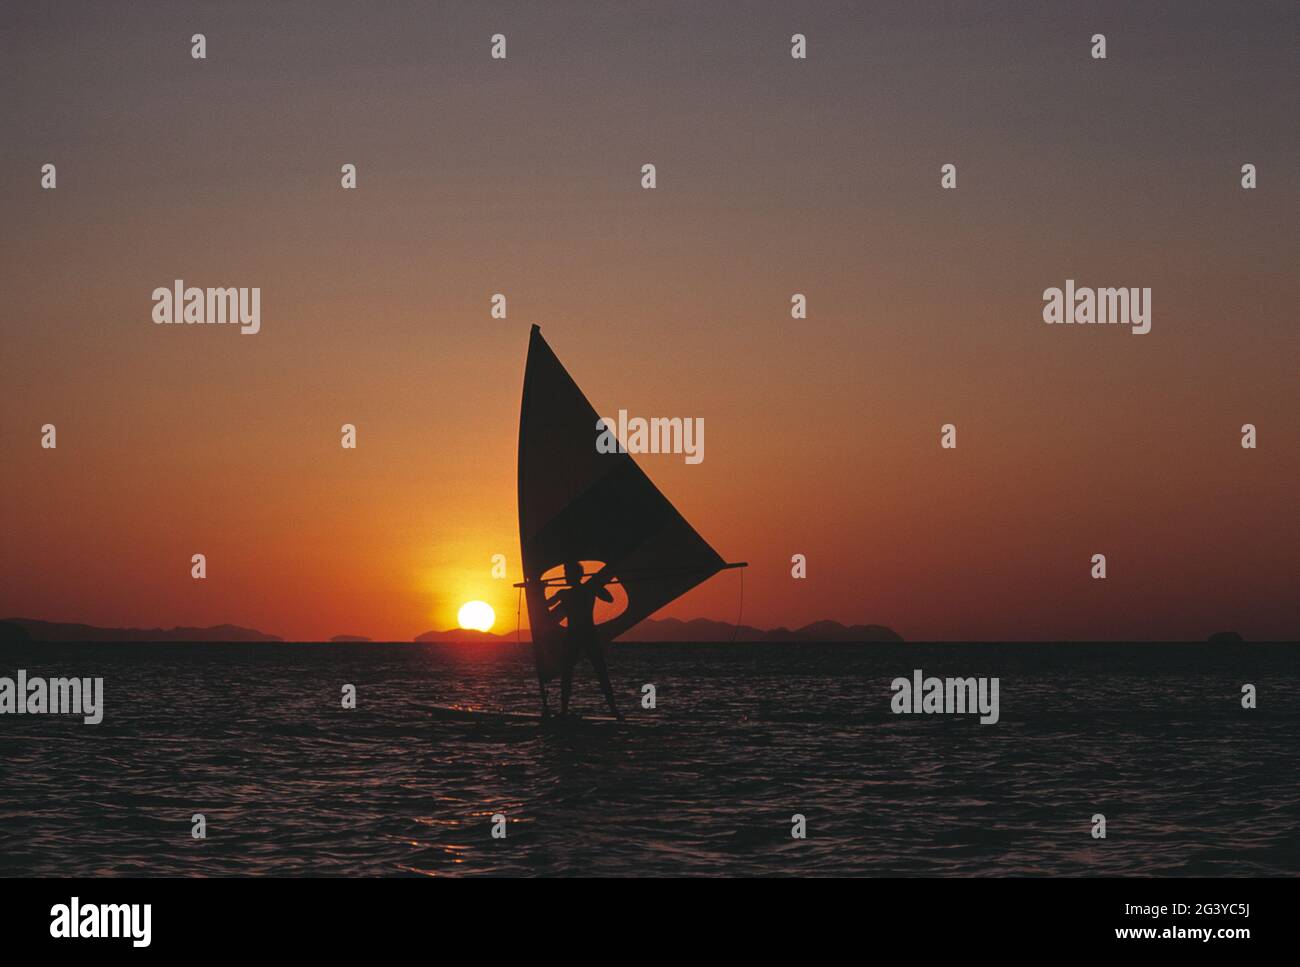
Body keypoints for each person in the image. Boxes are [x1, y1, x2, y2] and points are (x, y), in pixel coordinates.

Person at [547, 561, 623, 720]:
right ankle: (564, 710)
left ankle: (613, 710)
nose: (566, 576)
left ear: (576, 575)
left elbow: (609, 599)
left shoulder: (576, 592)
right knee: (568, 673)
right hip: (577, 635)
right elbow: (545, 608)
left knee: (600, 671)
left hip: (585, 634)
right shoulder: (566, 593)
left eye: (568, 573)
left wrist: (596, 586)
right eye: (565, 573)